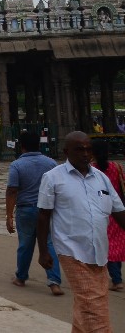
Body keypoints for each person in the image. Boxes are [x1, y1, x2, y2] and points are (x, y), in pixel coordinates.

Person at [38, 131, 125, 331]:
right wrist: (43, 251)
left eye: (88, 149)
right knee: (92, 303)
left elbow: (119, 211)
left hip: (100, 251)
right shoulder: (52, 178)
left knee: (92, 300)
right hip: (72, 249)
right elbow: (43, 216)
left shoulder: (101, 178)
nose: (85, 154)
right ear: (66, 152)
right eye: (79, 150)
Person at [5, 129, 63, 295]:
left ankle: (21, 277)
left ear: (21, 146)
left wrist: (9, 215)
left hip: (26, 209)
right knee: (49, 243)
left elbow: (12, 191)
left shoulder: (17, 165)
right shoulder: (51, 163)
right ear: (39, 144)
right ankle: (54, 282)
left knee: (25, 244)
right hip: (47, 209)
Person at [91, 139, 125, 292]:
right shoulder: (116, 167)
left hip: (99, 211)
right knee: (116, 244)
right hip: (117, 210)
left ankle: (116, 279)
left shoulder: (92, 169)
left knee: (107, 245)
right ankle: (116, 276)